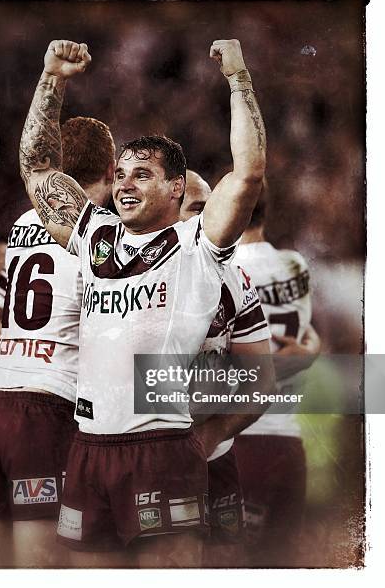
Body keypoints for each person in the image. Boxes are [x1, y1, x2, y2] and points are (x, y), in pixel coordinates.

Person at [19, 39, 269, 567]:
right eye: (121, 174)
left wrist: (238, 79)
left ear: (176, 188)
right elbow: (38, 169)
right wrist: (51, 79)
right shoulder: (91, 233)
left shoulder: (199, 246)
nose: (124, 185)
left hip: (161, 446)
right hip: (88, 444)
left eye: (143, 174)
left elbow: (248, 172)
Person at [0, 116, 116, 567]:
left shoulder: (20, 223)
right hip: (46, 410)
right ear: (111, 171)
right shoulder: (105, 233)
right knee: (44, 570)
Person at [180, 170, 271, 566]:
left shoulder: (234, 278)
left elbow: (262, 385)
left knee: (225, 566)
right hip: (140, 459)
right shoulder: (117, 277)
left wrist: (210, 435)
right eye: (198, 210)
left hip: (214, 459)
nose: (212, 220)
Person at [233, 193, 320, 567]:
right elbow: (306, 335)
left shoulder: (226, 267)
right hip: (288, 444)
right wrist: (313, 350)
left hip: (239, 442)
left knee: (227, 566)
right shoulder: (296, 265)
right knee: (280, 567)